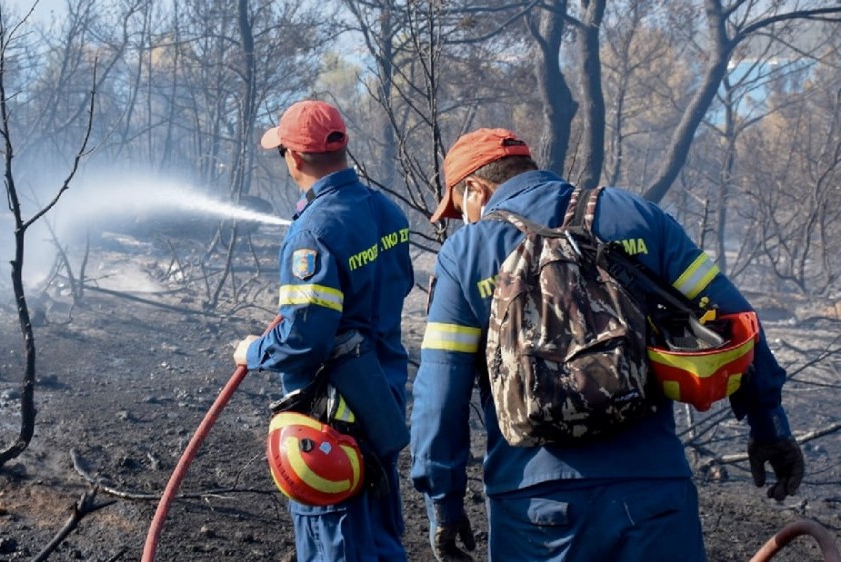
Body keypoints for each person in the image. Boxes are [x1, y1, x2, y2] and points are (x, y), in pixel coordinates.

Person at [410, 127, 805, 562]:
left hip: (535, 511)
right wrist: (769, 426)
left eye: (459, 209)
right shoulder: (637, 216)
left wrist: (442, 504)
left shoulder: (465, 253)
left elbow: (439, 396)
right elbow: (736, 321)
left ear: (474, 190)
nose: (463, 220)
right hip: (653, 496)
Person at [233, 99, 413, 562]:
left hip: (332, 421)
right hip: (384, 401)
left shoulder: (312, 232)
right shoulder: (387, 213)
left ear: (293, 157)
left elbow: (304, 338)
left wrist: (252, 352)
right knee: (379, 536)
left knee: (337, 540)